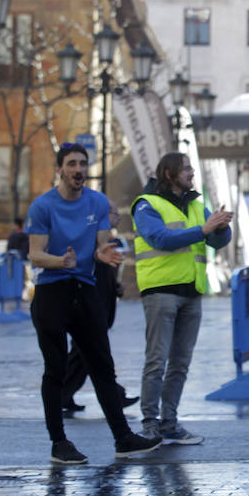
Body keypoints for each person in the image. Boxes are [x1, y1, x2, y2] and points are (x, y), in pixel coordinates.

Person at [26, 143, 162, 464]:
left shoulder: (97, 202)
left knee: (102, 365)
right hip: (52, 292)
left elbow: (102, 243)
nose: (78, 170)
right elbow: (35, 254)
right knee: (55, 369)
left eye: (83, 164)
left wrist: (102, 253)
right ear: (60, 169)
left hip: (85, 290)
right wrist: (61, 261)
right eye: (71, 164)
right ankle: (59, 443)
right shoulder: (43, 206)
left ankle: (123, 438)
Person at [132, 152, 233, 445]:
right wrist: (204, 229)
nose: (192, 173)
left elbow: (214, 241)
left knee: (180, 363)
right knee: (157, 361)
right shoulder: (147, 204)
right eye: (186, 169)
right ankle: (149, 424)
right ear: (168, 174)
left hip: (191, 291)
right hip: (161, 291)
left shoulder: (196, 204)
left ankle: (169, 423)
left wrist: (221, 228)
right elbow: (160, 239)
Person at [62, 200, 138, 414]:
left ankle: (63, 395)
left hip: (99, 308)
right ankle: (115, 396)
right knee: (94, 355)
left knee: (83, 356)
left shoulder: (104, 240)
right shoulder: (90, 240)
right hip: (88, 309)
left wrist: (116, 287)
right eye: (114, 212)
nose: (118, 216)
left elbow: (105, 273)